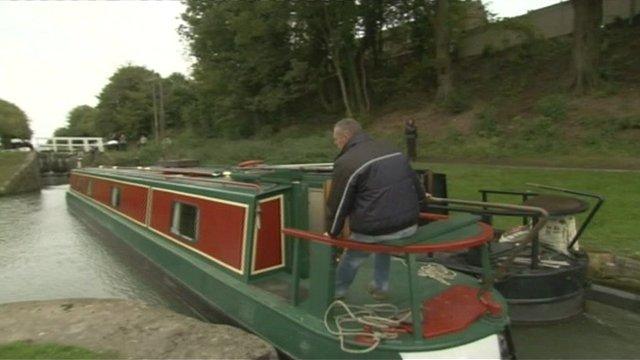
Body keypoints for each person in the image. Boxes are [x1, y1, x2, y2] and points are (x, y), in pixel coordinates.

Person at [326, 118, 427, 300]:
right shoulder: (392, 148)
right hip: (409, 224)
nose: (336, 144)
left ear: (346, 136)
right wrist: (420, 205)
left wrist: (332, 233)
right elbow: (416, 186)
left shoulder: (347, 162)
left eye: (336, 139)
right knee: (383, 246)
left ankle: (336, 291)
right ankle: (381, 286)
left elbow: (338, 203)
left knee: (353, 255)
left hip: (377, 230)